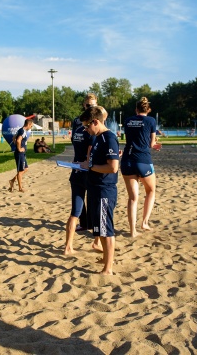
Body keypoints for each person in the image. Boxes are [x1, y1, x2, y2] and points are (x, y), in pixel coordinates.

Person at [79, 106, 120, 275]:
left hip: (104, 190)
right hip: (95, 188)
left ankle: (108, 268)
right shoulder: (98, 138)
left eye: (87, 126)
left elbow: (113, 168)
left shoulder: (108, 138)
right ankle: (105, 258)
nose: (86, 130)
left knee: (106, 229)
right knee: (100, 229)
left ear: (96, 121)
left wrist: (91, 166)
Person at [121, 97, 162, 237]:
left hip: (127, 160)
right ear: (148, 109)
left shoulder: (127, 120)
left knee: (133, 198)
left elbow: (129, 138)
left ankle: (132, 231)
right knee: (150, 191)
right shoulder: (151, 121)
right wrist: (156, 145)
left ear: (136, 109)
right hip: (142, 160)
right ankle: (144, 222)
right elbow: (151, 144)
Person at [64, 95, 94, 255]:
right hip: (84, 169)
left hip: (77, 168)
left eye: (93, 105)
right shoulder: (86, 125)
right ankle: (96, 241)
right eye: (88, 105)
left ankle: (68, 246)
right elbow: (89, 149)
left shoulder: (89, 124)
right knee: (91, 207)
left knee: (77, 209)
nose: (90, 107)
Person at [8, 119, 34, 192]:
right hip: (20, 153)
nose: (31, 127)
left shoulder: (20, 130)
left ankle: (12, 181)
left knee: (25, 169)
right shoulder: (22, 131)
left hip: (22, 153)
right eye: (31, 126)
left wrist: (16, 144)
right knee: (20, 171)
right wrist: (19, 148)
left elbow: (14, 138)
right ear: (28, 124)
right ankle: (20, 188)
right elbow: (18, 140)